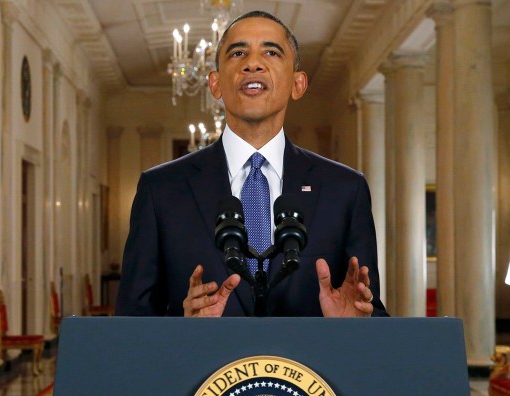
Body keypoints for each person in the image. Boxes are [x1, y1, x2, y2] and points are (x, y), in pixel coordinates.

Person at [116, 11, 387, 317]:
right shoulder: (160, 189)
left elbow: (370, 312)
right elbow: (132, 324)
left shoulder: (345, 190)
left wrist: (355, 326)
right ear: (215, 84)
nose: (253, 63)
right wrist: (183, 329)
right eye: (238, 53)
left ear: (298, 85)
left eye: (271, 52)